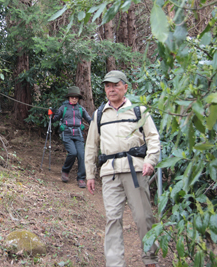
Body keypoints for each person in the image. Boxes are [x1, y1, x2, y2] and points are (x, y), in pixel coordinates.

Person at [84, 70, 160, 267]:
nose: (111, 89)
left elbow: (153, 138)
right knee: (112, 219)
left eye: (116, 85)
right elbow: (91, 146)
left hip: (135, 170)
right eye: (108, 86)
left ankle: (150, 259)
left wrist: (150, 161)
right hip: (110, 173)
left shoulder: (139, 111)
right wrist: (90, 174)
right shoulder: (99, 114)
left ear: (125, 87)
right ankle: (115, 263)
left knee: (143, 217)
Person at [50, 86, 92, 188]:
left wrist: (97, 122)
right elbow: (55, 119)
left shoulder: (81, 109)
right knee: (73, 153)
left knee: (82, 155)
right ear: (69, 98)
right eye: (72, 97)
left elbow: (90, 120)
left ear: (78, 99)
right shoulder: (63, 108)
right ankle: (65, 171)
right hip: (67, 134)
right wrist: (51, 115)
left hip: (78, 134)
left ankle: (81, 178)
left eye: (76, 97)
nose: (74, 99)